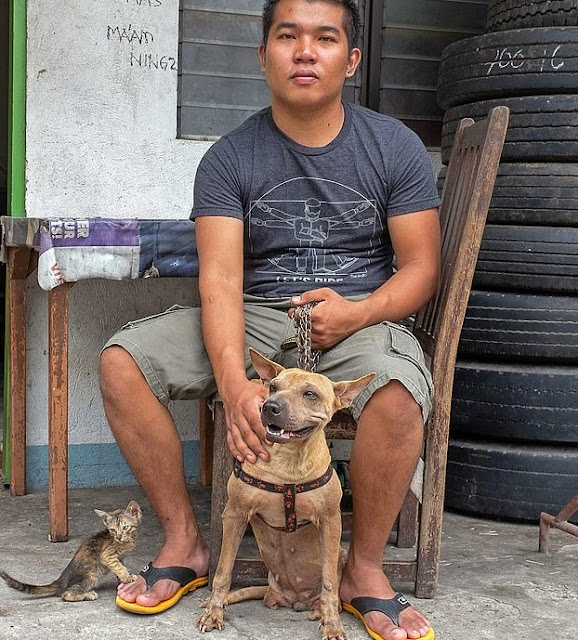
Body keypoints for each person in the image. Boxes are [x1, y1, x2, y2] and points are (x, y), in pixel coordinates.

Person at [99, 1, 441, 638]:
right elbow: (221, 280)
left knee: (397, 394)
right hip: (255, 318)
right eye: (287, 36)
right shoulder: (229, 159)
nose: (305, 52)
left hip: (357, 318)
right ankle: (185, 544)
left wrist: (359, 312)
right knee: (122, 362)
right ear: (263, 56)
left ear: (352, 59)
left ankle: (362, 570)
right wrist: (234, 384)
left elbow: (422, 267)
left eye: (324, 38)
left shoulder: (393, 146)